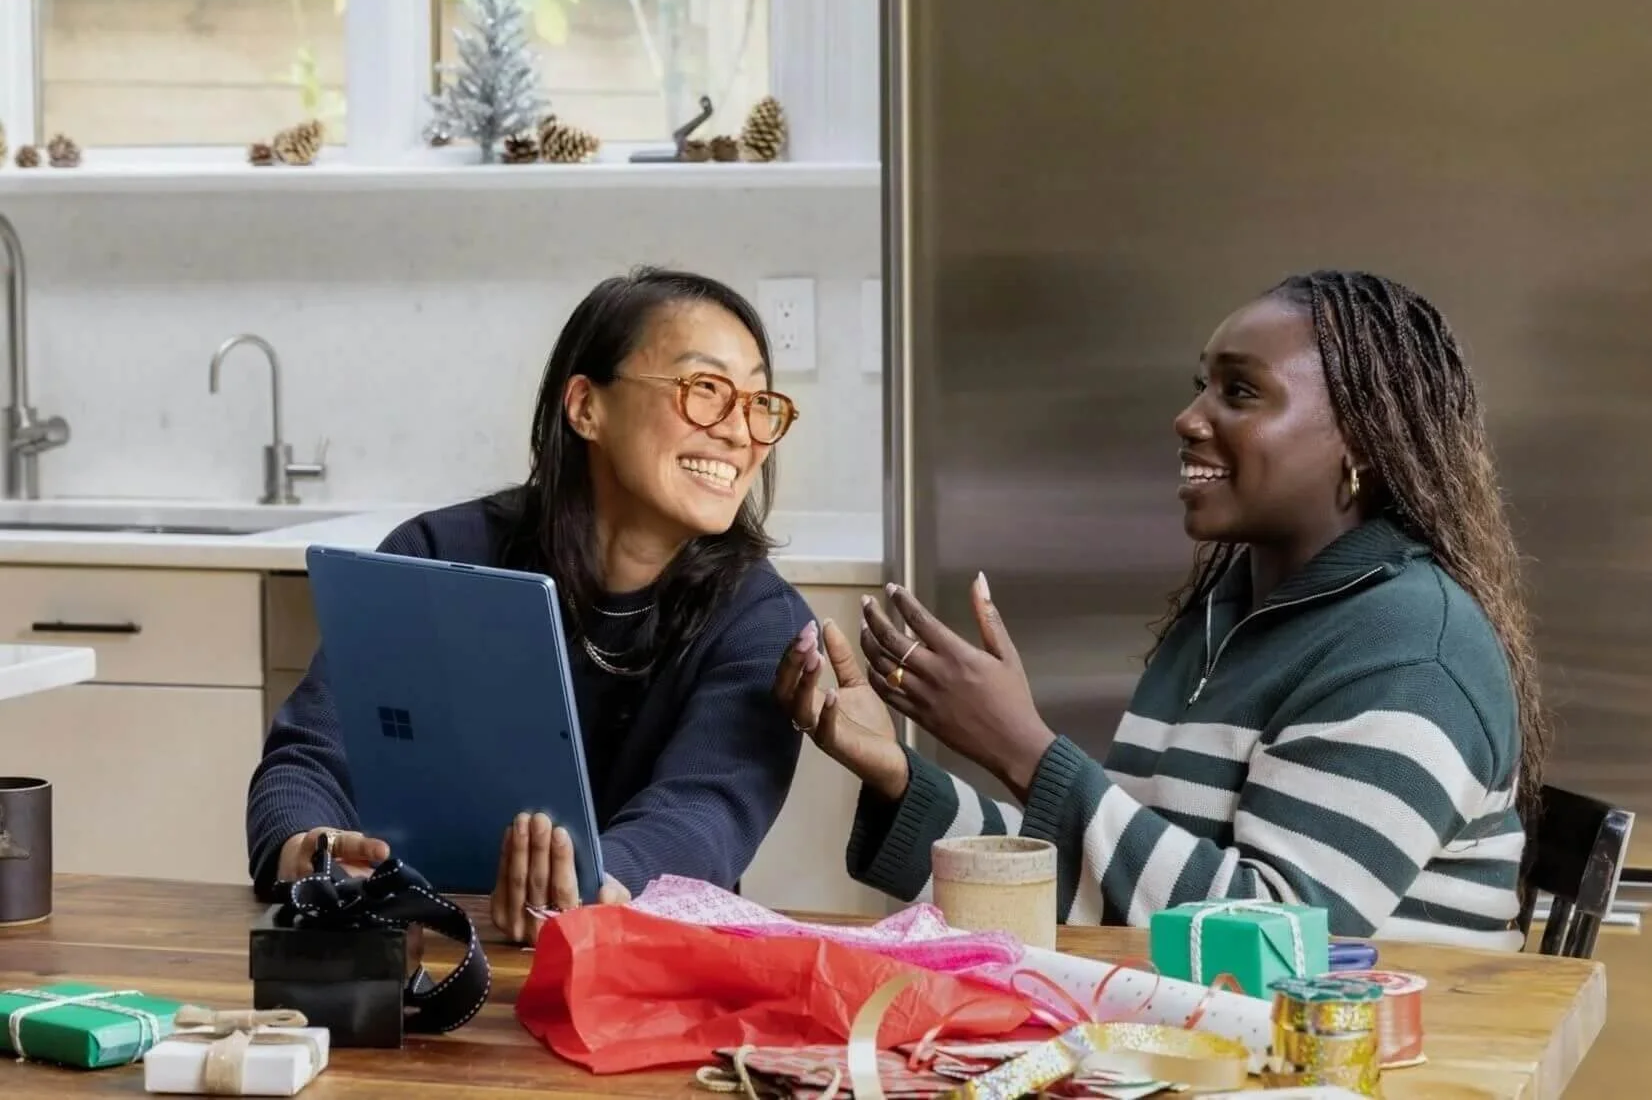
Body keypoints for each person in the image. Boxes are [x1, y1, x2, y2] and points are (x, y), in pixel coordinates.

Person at [777, 270, 1546, 950]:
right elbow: (1127, 889)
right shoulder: (1228, 617)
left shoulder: (1409, 648)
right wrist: (897, 779)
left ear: (1363, 443)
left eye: (1239, 391)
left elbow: (1280, 946)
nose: (1188, 418)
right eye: (1200, 386)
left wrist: (1022, 750)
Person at [248, 266, 815, 945]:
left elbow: (706, 812)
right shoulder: (430, 554)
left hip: (631, 963)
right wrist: (304, 851)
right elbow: (313, 752)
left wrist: (596, 884)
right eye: (706, 390)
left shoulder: (761, 618)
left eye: (758, 404)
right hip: (422, 947)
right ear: (585, 406)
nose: (738, 432)